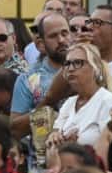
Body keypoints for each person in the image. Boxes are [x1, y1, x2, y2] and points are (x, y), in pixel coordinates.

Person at [48, 44, 112, 151]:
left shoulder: (109, 102)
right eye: (67, 64)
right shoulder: (69, 103)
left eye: (78, 63)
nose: (71, 69)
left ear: (95, 68)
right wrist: (54, 137)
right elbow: (54, 134)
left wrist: (75, 147)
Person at [11, 13, 71, 141]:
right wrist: (50, 100)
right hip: (43, 157)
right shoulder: (29, 79)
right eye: (53, 36)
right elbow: (16, 130)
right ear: (40, 44)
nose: (61, 40)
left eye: (65, 33)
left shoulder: (91, 70)